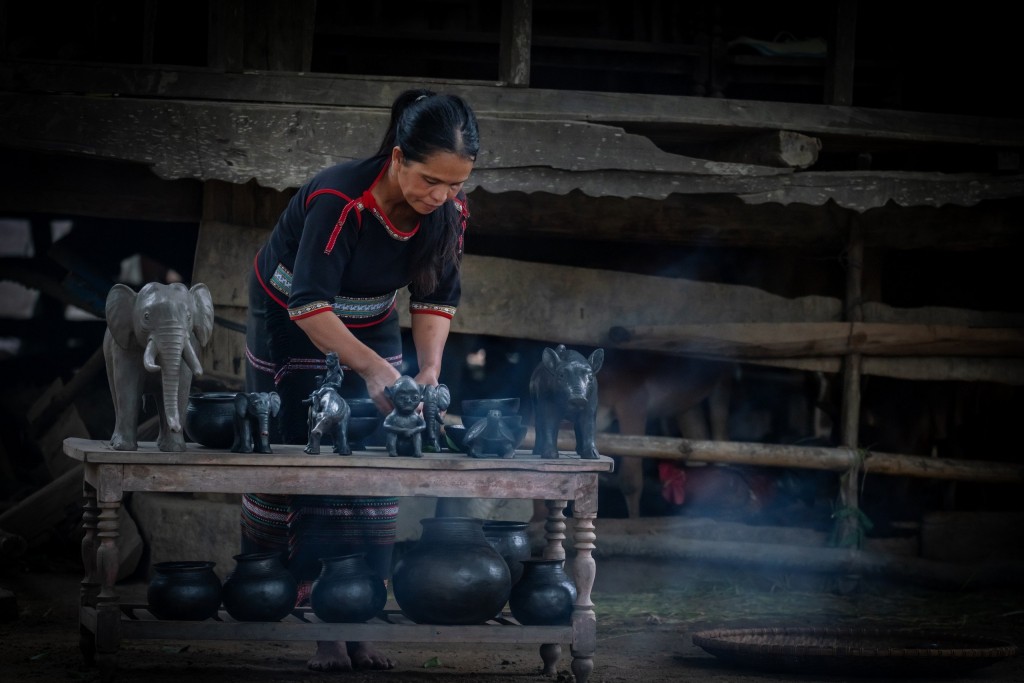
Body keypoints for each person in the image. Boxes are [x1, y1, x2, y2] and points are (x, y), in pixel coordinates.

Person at [240, 88, 479, 672]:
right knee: (314, 454)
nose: (442, 197)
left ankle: (361, 616)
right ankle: (318, 624)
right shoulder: (338, 199)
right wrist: (373, 370)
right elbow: (309, 303)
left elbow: (435, 298)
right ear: (397, 159)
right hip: (292, 318)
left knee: (378, 453)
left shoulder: (448, 210)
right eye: (431, 181)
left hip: (372, 318)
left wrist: (424, 372)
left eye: (456, 184)